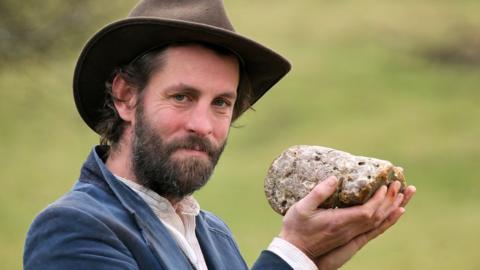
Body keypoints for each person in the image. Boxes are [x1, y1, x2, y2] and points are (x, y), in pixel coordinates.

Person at [23, 0, 416, 269]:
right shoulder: (72, 228)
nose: (203, 125)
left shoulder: (214, 234)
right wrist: (292, 253)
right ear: (126, 97)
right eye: (181, 97)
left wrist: (309, 263)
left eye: (221, 103)